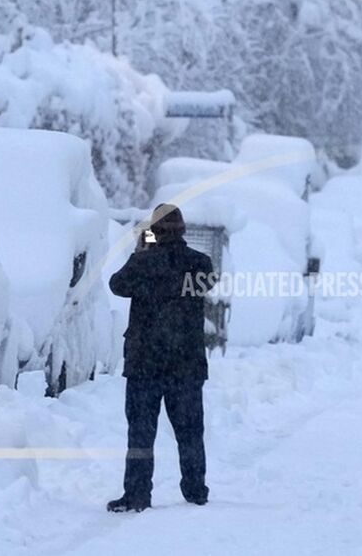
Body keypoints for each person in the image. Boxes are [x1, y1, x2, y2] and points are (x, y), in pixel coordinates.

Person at [106, 204, 214, 513]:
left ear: (152, 232)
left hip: (145, 366)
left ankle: (137, 494)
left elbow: (118, 285)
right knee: (191, 431)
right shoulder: (200, 264)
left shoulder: (144, 264)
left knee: (141, 433)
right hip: (186, 365)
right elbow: (206, 285)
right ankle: (195, 490)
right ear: (183, 231)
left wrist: (143, 252)